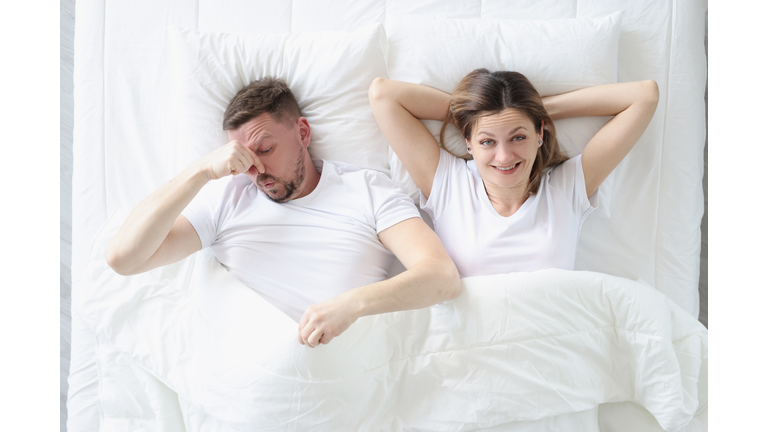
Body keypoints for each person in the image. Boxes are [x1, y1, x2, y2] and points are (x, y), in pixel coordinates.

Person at [105, 77, 461, 348]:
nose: (256, 169)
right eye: (242, 157)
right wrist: (200, 171)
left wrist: (352, 305)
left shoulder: (366, 190)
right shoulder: (227, 198)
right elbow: (124, 258)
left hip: (336, 377)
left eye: (265, 148)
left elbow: (441, 276)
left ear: (302, 132)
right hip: (243, 371)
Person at [369, 69, 659, 276]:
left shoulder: (567, 186)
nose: (504, 156)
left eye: (518, 137)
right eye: (487, 141)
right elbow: (383, 94)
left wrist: (535, 110)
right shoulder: (448, 182)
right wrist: (475, 112)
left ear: (540, 134)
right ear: (468, 143)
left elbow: (645, 96)